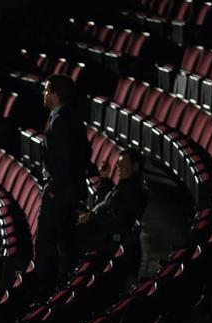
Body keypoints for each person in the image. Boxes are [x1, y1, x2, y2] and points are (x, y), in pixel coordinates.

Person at [35, 74, 89, 290]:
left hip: (60, 193)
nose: (44, 93)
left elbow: (65, 162)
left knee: (47, 244)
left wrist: (53, 190)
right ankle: (64, 288)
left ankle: (46, 292)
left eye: (47, 90)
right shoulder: (71, 117)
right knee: (65, 242)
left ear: (56, 95)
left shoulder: (60, 122)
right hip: (69, 191)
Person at [77, 148, 149, 278]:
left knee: (69, 231)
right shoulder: (125, 185)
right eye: (118, 164)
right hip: (109, 233)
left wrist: (91, 220)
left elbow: (118, 222)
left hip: (113, 239)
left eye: (122, 163)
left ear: (135, 166)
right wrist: (104, 178)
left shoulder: (135, 192)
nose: (118, 166)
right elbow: (108, 203)